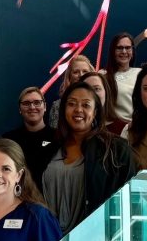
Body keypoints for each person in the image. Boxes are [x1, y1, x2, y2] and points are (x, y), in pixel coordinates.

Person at [43, 80, 136, 233]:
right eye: (72, 104)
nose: (78, 109)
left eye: (86, 105)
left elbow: (127, 201)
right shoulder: (48, 149)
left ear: (95, 113)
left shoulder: (115, 149)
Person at [3, 86, 56, 192]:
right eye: (26, 103)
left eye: (37, 102)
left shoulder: (58, 136)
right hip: (18, 198)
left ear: (45, 106)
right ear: (19, 109)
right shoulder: (9, 139)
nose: (32, 107)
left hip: (50, 199)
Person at [48, 54, 95, 129]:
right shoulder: (57, 106)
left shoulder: (99, 103)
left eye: (85, 71)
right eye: (76, 72)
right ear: (69, 77)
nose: (81, 75)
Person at [105, 32, 140, 122]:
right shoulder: (104, 77)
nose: (124, 51)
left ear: (132, 51)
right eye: (119, 48)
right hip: (115, 131)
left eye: (128, 48)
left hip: (140, 128)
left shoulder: (141, 73)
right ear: (113, 51)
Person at [79, 70, 126, 135]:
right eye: (86, 89)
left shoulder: (124, 129)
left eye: (96, 89)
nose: (92, 93)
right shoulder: (72, 128)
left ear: (106, 92)